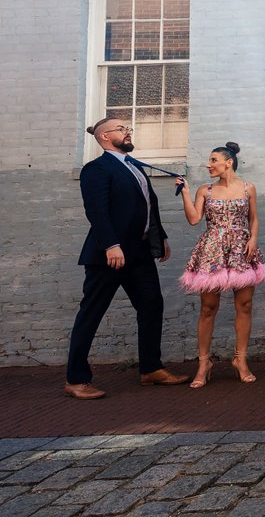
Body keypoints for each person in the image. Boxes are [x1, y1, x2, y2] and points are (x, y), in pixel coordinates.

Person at [65, 117, 188, 399]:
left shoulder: (133, 167)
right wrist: (111, 245)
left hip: (140, 253)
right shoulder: (95, 169)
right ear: (105, 137)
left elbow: (147, 205)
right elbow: (96, 211)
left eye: (127, 128)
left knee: (151, 305)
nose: (128, 131)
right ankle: (76, 379)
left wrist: (161, 237)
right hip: (109, 255)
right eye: (122, 129)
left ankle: (151, 369)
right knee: (92, 313)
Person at [176, 142, 265, 387]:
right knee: (208, 307)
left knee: (245, 305)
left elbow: (254, 218)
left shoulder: (248, 188)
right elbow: (195, 219)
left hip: (242, 248)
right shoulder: (205, 190)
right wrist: (185, 193)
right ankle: (204, 363)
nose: (209, 164)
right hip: (212, 249)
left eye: (214, 160)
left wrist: (254, 238)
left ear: (228, 162)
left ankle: (241, 360)